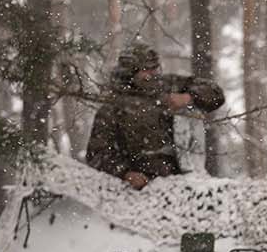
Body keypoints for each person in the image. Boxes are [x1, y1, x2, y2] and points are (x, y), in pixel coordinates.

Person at [85, 40, 226, 189]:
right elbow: (97, 155)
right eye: (146, 69)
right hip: (141, 190)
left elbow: (215, 93)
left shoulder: (170, 84)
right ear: (130, 72)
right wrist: (126, 173)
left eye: (155, 67)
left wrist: (189, 97)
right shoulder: (112, 107)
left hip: (185, 181)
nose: (153, 73)